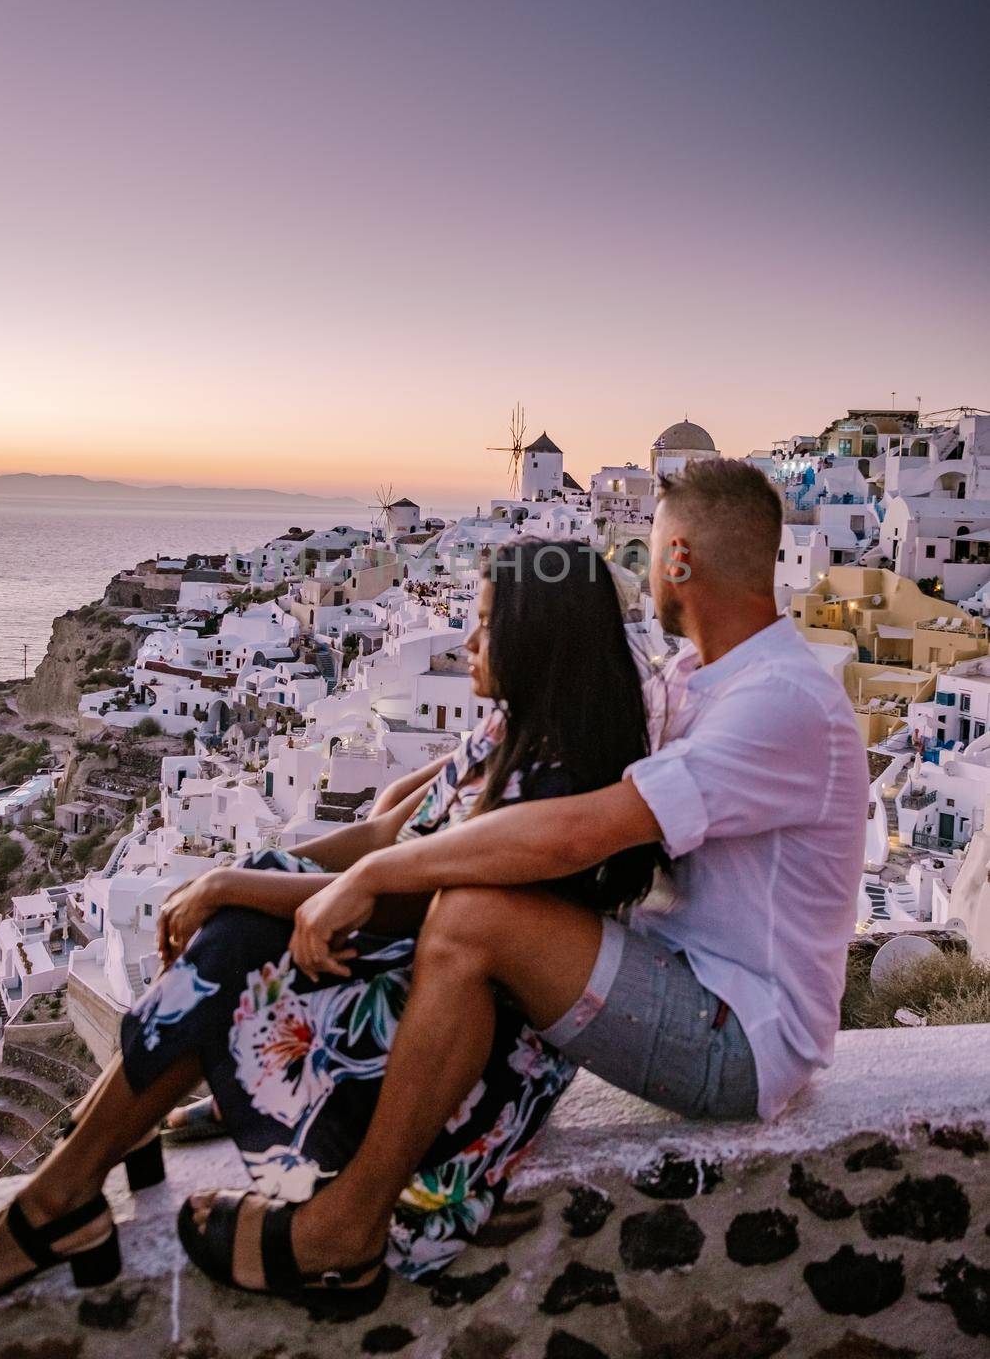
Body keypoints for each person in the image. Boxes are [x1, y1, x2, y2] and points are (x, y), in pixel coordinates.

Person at [181, 457, 865, 1305]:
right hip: (677, 983)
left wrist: (379, 867)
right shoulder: (700, 683)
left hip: (740, 1036)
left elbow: (581, 829)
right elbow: (565, 736)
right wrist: (429, 789)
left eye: (650, 549)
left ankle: (345, 1226)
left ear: (678, 558)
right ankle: (302, 1089)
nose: (645, 570)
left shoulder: (780, 702)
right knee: (475, 893)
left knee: (476, 916)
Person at [0, 540, 664, 1311]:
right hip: (402, 990)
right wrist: (251, 874)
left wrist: (230, 883)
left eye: (484, 627)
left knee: (238, 939)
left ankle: (60, 1197)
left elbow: (408, 900)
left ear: (538, 638)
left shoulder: (562, 783)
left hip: (454, 1066)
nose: (467, 645)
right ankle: (76, 1179)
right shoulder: (505, 733)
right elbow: (384, 842)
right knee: (241, 919)